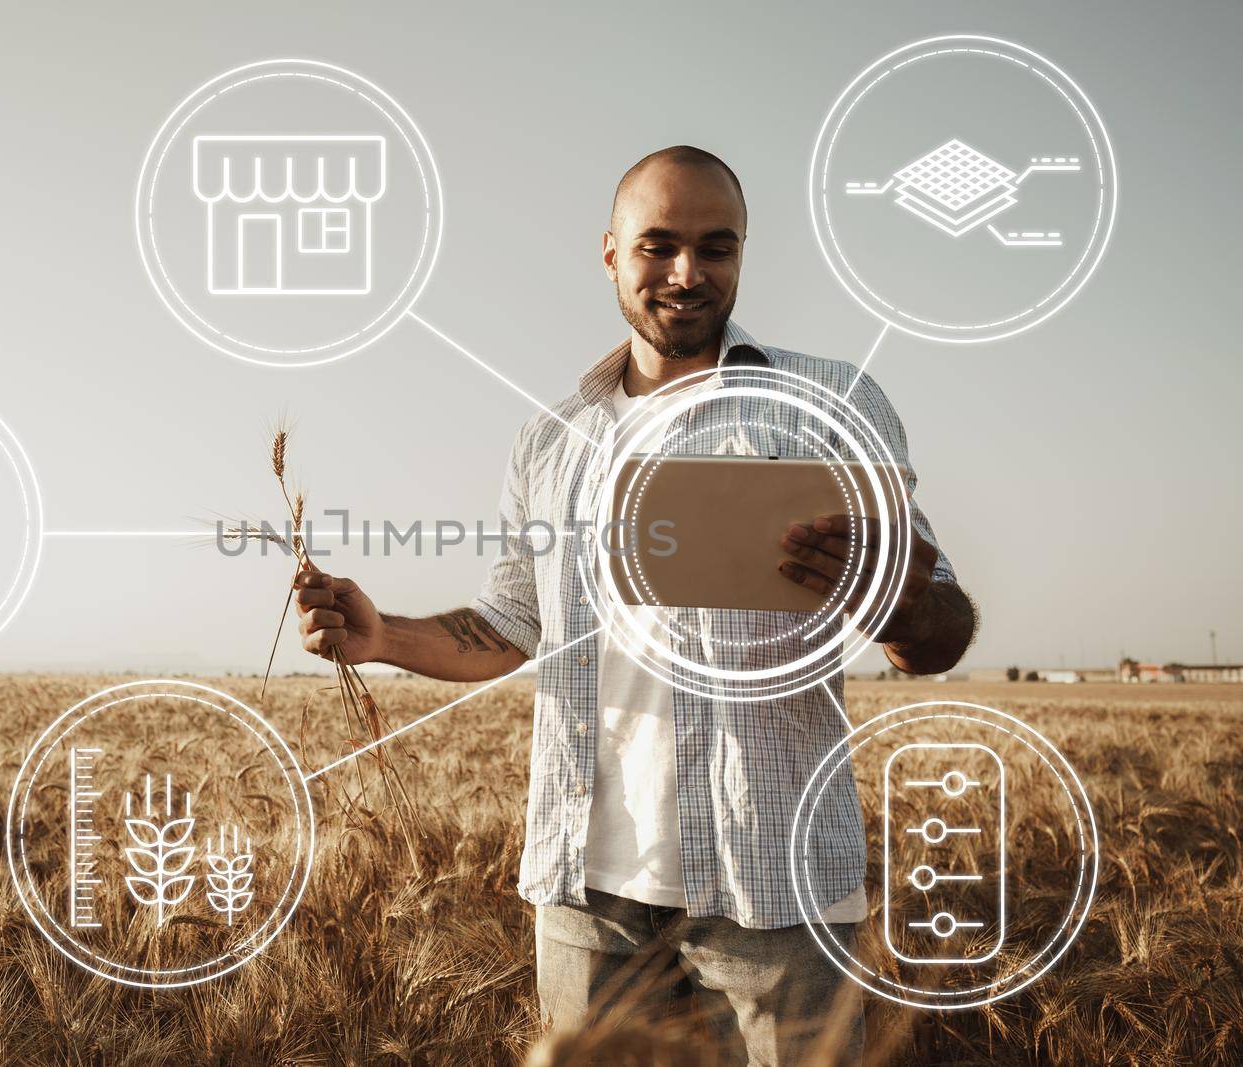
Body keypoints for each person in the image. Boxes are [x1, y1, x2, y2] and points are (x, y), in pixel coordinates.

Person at [294, 145, 977, 1066]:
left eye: (716, 247)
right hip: (586, 898)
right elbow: (511, 624)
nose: (688, 273)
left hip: (771, 893)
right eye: (658, 245)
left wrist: (893, 598)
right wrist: (385, 636)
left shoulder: (831, 403)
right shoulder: (551, 438)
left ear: (742, 256)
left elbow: (938, 629)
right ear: (610, 252)